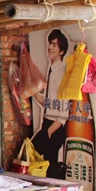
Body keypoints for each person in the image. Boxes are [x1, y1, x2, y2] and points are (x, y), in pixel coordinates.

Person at [31, 28, 70, 178]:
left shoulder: (60, 74)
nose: (50, 47)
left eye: (54, 45)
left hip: (54, 126)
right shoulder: (53, 70)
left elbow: (64, 109)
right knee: (46, 165)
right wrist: (33, 92)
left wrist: (50, 131)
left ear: (61, 51)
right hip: (48, 124)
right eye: (50, 43)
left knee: (47, 166)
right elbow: (48, 103)